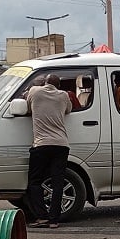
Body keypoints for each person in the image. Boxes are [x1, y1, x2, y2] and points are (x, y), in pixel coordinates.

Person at [25, 74, 72, 228]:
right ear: (58, 85)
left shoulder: (34, 92)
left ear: (45, 83)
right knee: (58, 182)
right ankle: (54, 220)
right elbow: (69, 110)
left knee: (35, 181)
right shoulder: (63, 95)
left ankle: (42, 216)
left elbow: (26, 106)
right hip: (61, 144)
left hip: (41, 144)